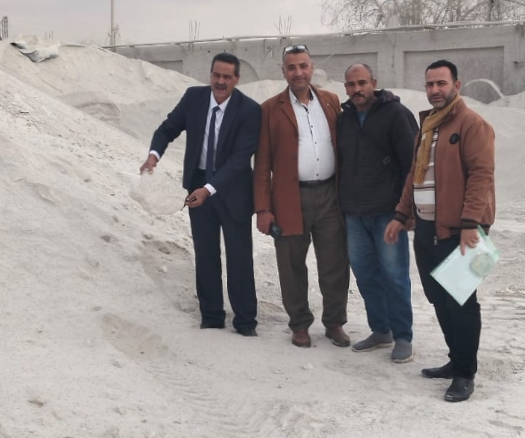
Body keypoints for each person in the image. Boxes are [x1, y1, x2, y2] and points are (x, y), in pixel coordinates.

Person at [385, 59, 495, 402]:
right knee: (439, 298)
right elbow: (414, 176)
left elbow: (481, 176)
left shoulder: (473, 124)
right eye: (430, 84)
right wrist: (401, 214)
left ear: (456, 86)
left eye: (441, 83)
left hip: (463, 229)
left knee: (461, 301)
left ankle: (465, 374)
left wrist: (471, 224)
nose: (435, 90)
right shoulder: (428, 127)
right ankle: (455, 360)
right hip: (427, 227)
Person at [140, 52, 261, 337]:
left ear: (237, 79)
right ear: (210, 75)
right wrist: (154, 154)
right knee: (205, 254)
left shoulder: (250, 110)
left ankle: (245, 322)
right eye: (216, 75)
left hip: (233, 191)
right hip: (197, 186)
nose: (220, 81)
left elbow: (240, 159)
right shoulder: (193, 98)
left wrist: (209, 189)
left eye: (227, 77)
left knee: (239, 257)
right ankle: (212, 317)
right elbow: (167, 128)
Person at [253, 45, 350, 348]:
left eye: (303, 66)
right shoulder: (270, 109)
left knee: (334, 263)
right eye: (292, 67)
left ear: (312, 68)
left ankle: (334, 322)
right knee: (291, 264)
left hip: (330, 196)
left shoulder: (331, 101)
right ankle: (299, 324)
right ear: (283, 72)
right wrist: (263, 209)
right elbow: (262, 163)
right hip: (289, 198)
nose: (298, 73)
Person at [337, 64, 418, 363]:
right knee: (365, 274)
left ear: (374, 82)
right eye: (351, 84)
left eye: (362, 83)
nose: (356, 89)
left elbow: (413, 164)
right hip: (354, 213)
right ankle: (381, 330)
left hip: (388, 212)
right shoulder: (344, 119)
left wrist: (406, 210)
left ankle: (403, 336)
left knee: (394, 275)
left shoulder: (396, 114)